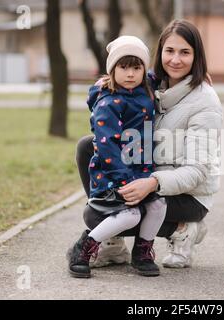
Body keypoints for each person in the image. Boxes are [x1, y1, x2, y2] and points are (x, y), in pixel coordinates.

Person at [76, 20, 223, 269]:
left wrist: (152, 183)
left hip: (187, 195)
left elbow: (198, 172)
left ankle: (183, 229)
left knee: (96, 215)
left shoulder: (205, 102)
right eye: (170, 51)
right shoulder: (150, 84)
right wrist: (103, 86)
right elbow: (120, 77)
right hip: (145, 173)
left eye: (185, 52)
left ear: (197, 57)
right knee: (89, 146)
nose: (175, 59)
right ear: (160, 53)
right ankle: (114, 244)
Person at [68, 35, 167, 278]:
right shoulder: (108, 103)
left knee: (158, 205)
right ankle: (85, 247)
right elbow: (107, 146)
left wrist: (196, 79)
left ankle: (142, 252)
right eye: (123, 67)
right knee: (130, 215)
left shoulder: (146, 87)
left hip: (141, 172)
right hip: (113, 174)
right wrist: (123, 180)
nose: (130, 73)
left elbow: (160, 74)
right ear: (112, 69)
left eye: (136, 66)